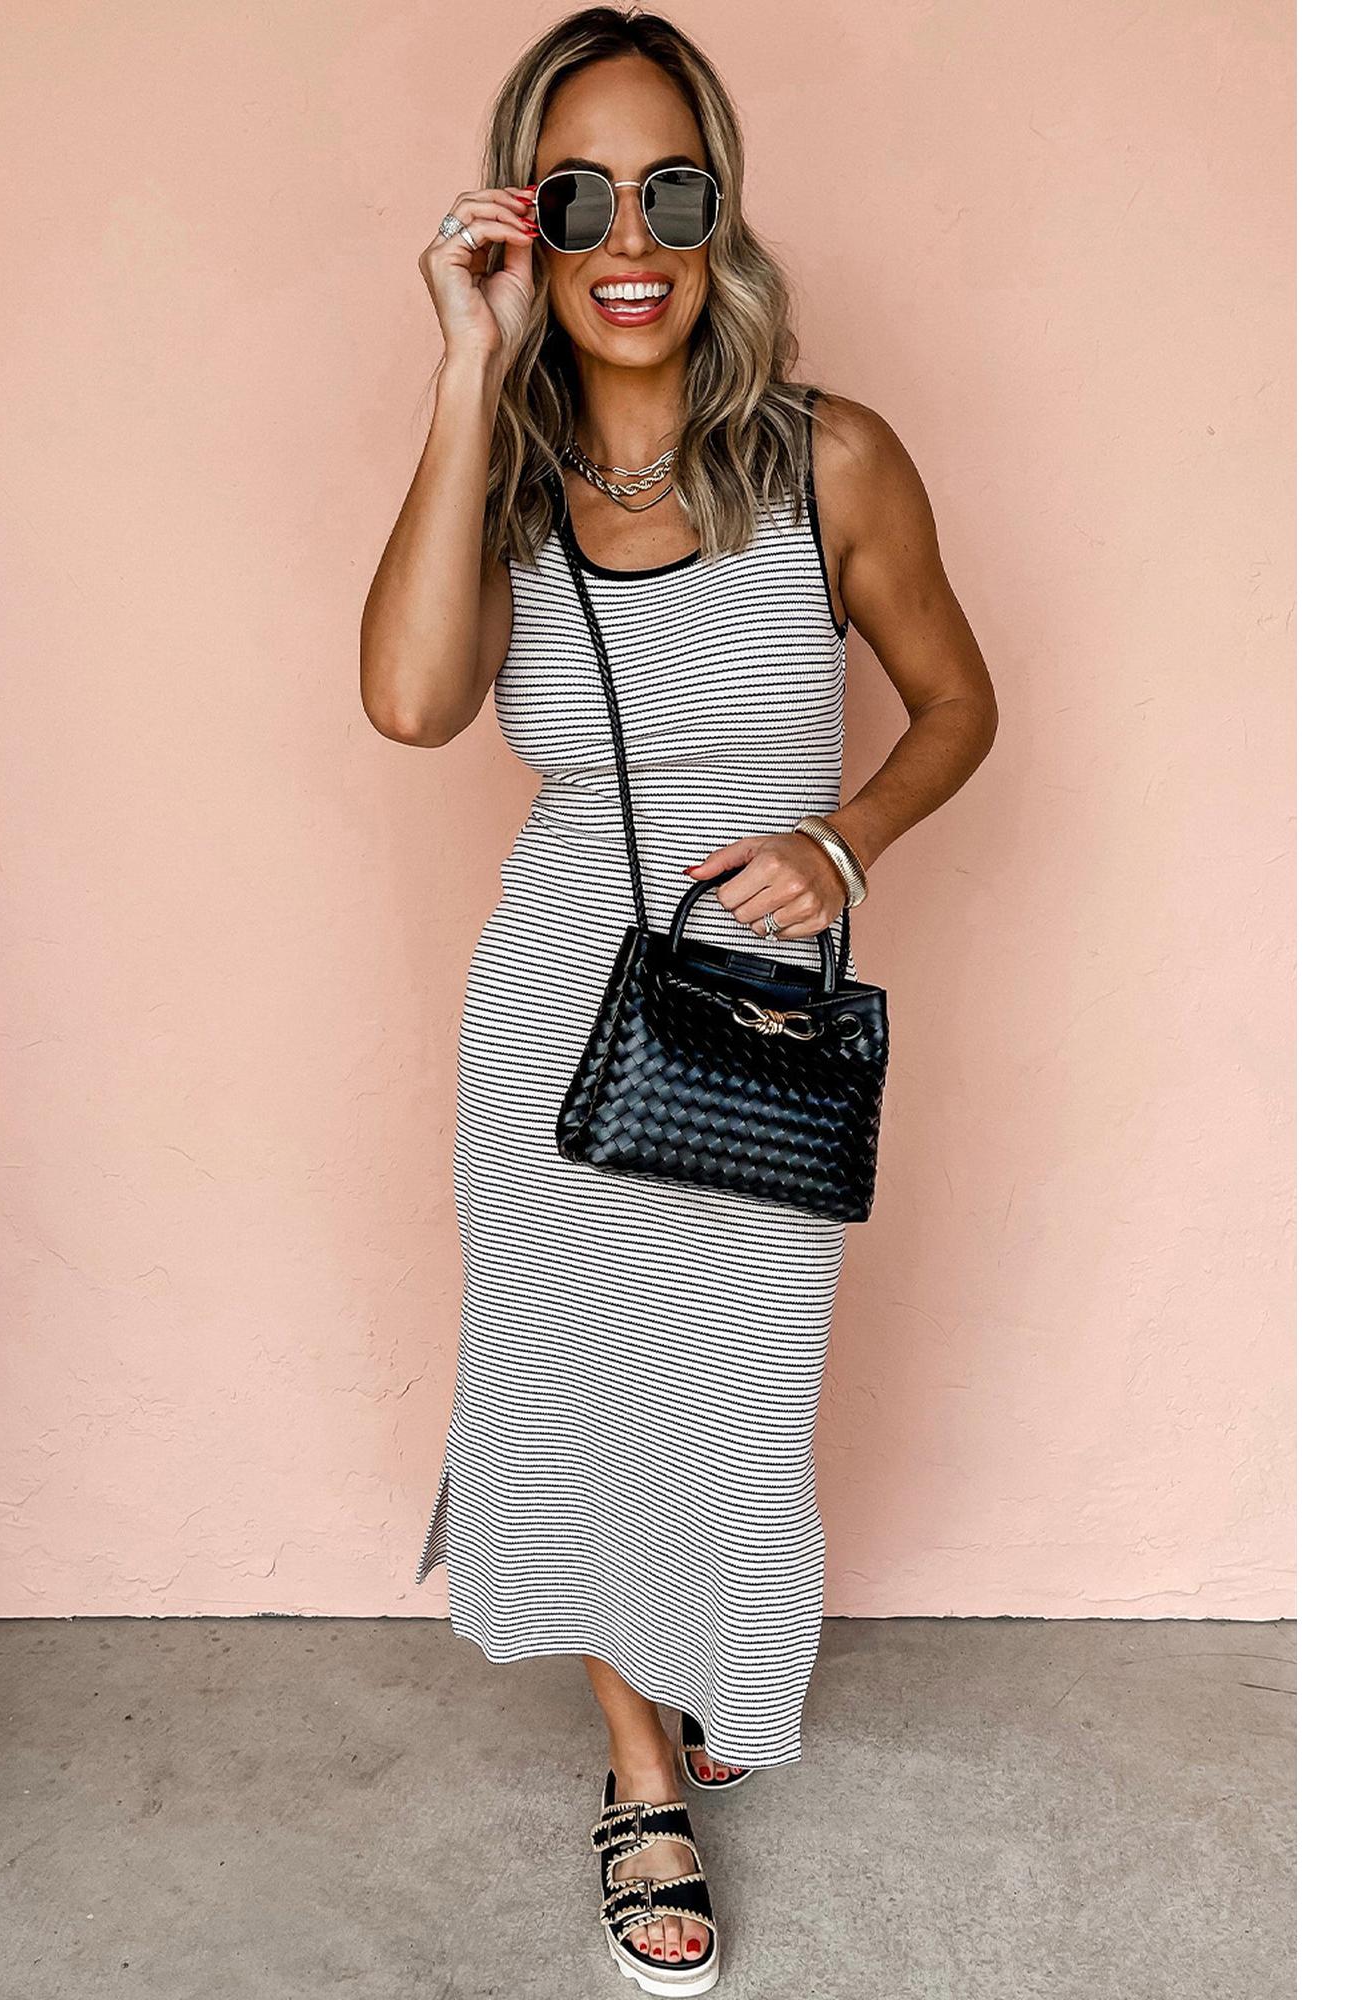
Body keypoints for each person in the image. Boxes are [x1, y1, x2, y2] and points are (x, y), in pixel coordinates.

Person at [359, 8, 997, 1989]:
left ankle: (700, 1644)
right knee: (572, 1384)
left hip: (759, 1019)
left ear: (722, 214)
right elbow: (409, 703)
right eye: (578, 199)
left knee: (728, 1392)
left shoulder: (833, 459)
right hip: (556, 1006)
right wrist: (464, 369)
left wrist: (847, 843)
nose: (626, 240)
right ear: (522, 225)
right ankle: (641, 1769)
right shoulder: (504, 469)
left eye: (670, 191)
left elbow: (957, 703)